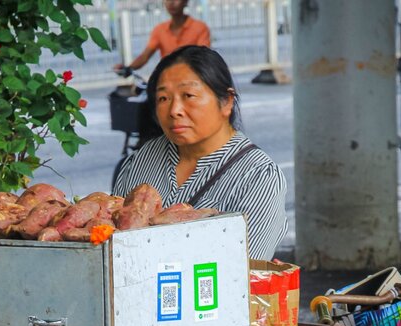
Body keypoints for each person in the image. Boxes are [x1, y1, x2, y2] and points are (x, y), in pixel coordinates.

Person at [113, 46, 287, 260]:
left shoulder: (259, 177)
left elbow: (244, 268)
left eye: (188, 95)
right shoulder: (142, 159)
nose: (174, 110)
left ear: (227, 102)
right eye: (163, 98)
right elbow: (112, 239)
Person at [113, 0, 211, 73]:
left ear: (186, 2)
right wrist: (128, 68)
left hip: (193, 78)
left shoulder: (200, 27)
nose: (171, 2)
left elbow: (204, 57)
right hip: (168, 80)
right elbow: (145, 56)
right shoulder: (159, 30)